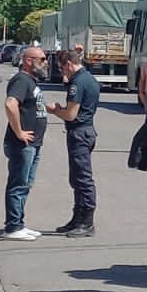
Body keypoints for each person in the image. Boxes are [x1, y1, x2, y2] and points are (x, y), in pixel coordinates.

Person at [49, 49, 100, 237]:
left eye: (63, 69)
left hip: (79, 132)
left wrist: (54, 110)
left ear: (69, 64)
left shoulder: (77, 83)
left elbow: (71, 114)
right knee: (77, 178)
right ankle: (77, 218)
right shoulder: (89, 79)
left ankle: (87, 222)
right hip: (86, 131)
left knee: (83, 179)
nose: (63, 73)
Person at [2, 47, 50, 241]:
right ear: (29, 61)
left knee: (25, 184)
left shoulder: (31, 81)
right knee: (18, 184)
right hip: (22, 144)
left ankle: (19, 224)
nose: (46, 62)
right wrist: (19, 131)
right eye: (42, 59)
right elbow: (10, 104)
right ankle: (13, 226)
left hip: (33, 143)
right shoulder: (21, 80)